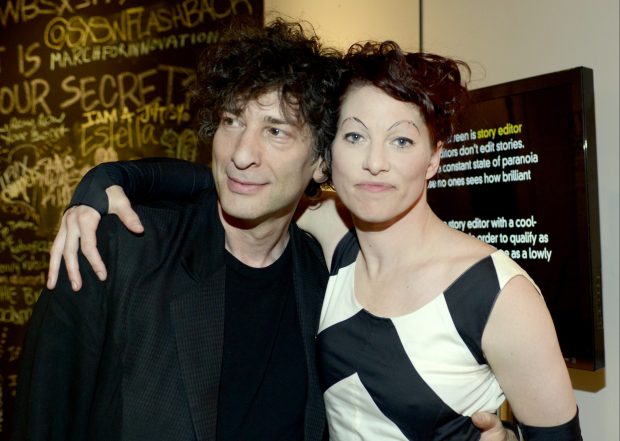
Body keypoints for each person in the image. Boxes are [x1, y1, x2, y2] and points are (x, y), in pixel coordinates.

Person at [13, 19, 516, 441]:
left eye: (275, 131)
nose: (241, 152)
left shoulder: (326, 280)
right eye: (231, 121)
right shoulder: (115, 251)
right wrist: (104, 179)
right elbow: (42, 421)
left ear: (322, 162)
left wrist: (497, 433)